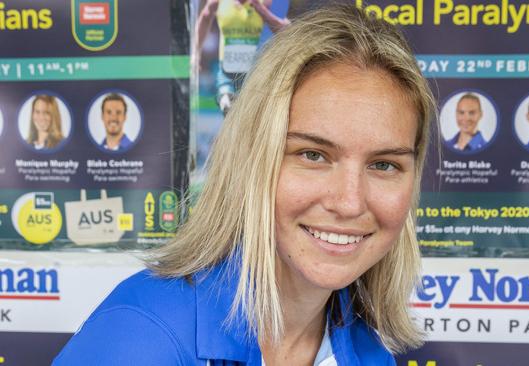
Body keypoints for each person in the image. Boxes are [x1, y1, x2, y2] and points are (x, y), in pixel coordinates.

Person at [54, 4, 434, 365]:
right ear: (251, 159)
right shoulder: (142, 338)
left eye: (384, 164)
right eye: (312, 155)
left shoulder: (367, 349)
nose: (350, 202)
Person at [195, 0, 290, 114]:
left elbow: (288, 30)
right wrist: (196, 53)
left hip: (255, 74)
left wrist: (262, 12)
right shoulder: (218, 2)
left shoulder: (265, 3)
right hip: (227, 73)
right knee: (227, 104)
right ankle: (226, 102)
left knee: (251, 114)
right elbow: (205, 17)